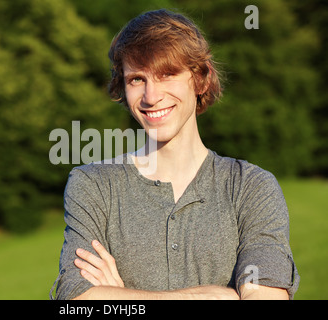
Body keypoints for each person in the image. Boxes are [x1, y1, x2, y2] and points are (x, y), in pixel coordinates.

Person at [50, 9, 299, 300]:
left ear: (201, 80)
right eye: (136, 79)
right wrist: (213, 297)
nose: (151, 96)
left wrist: (122, 297)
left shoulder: (251, 187)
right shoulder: (92, 185)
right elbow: (76, 299)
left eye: (167, 74)